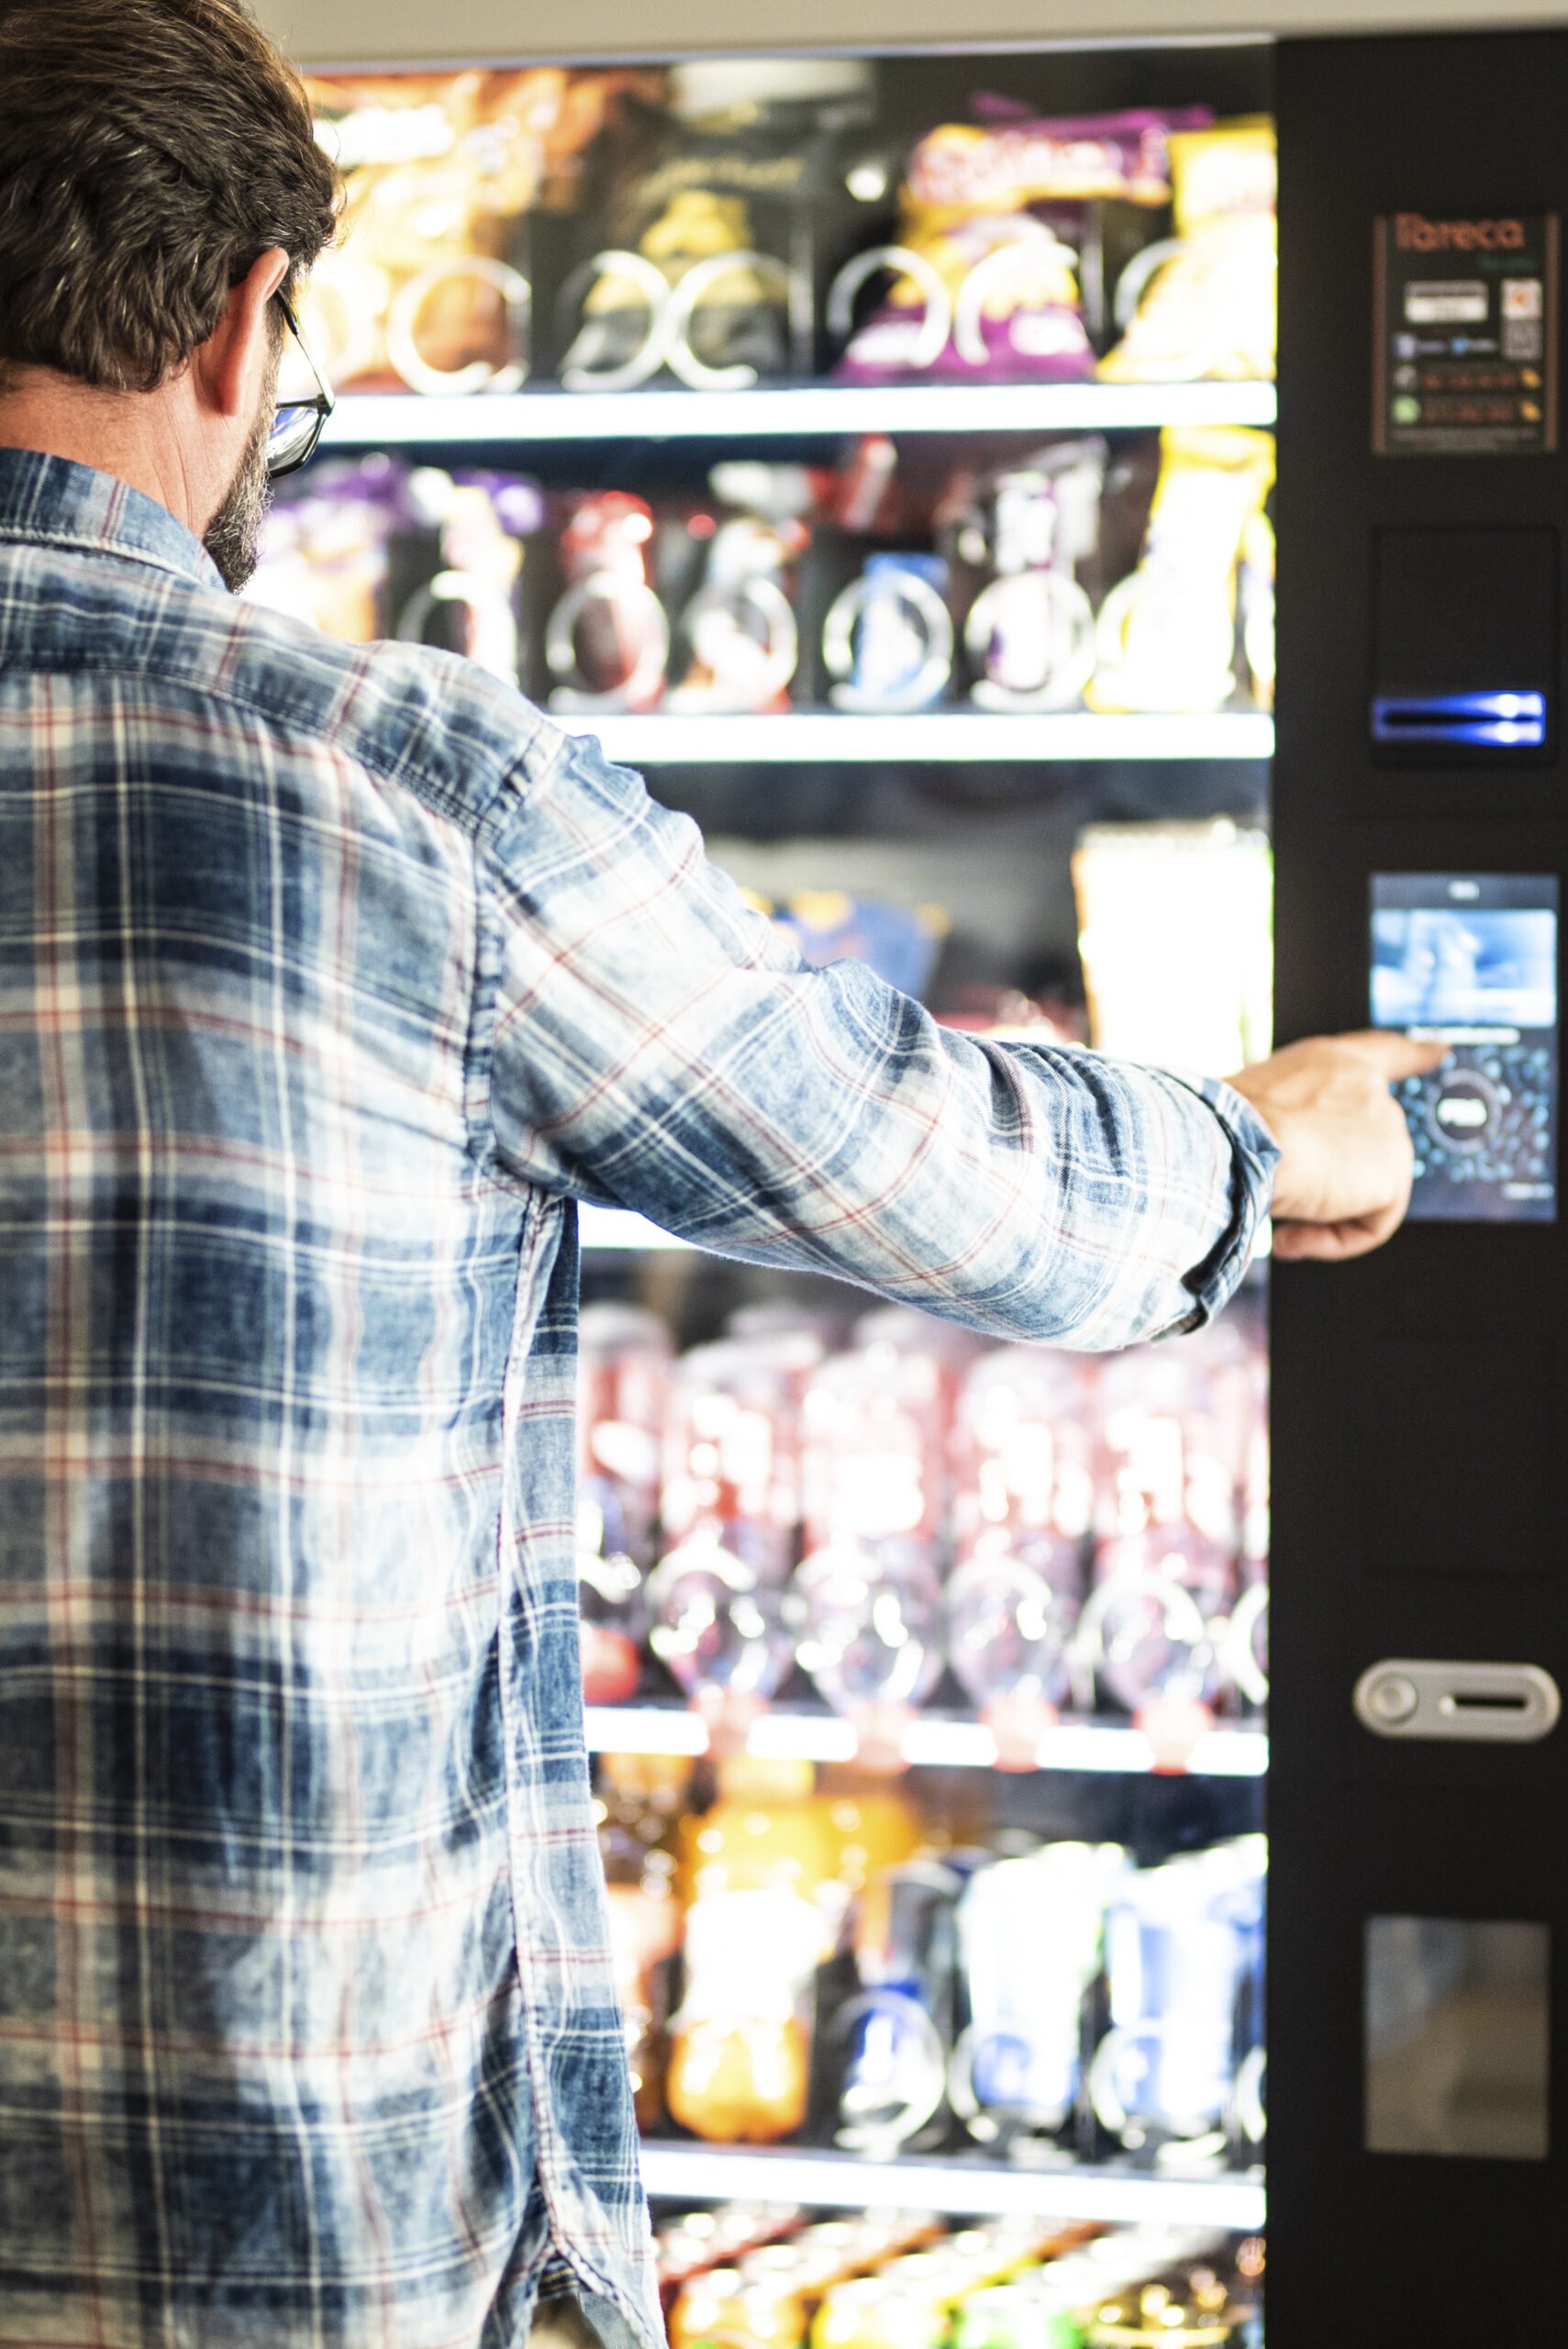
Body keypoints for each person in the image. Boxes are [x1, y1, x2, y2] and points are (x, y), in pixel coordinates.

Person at [0, 4, 1436, 2344]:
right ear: (242, 315)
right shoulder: (396, 786)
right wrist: (1263, 1143)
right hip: (277, 2213)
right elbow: (910, 1160)